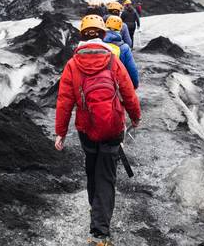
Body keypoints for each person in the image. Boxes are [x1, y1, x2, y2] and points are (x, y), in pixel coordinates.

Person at [55, 15, 142, 246]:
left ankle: (96, 211)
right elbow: (128, 93)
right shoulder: (113, 61)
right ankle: (100, 233)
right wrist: (135, 117)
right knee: (106, 177)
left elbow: (65, 101)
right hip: (113, 128)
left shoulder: (73, 64)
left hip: (87, 129)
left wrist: (60, 132)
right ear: (103, 35)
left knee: (92, 171)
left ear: (82, 35)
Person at [104, 16, 139, 89]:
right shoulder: (124, 48)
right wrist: (135, 85)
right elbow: (132, 70)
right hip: (116, 85)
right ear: (120, 30)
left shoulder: (98, 44)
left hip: (99, 83)